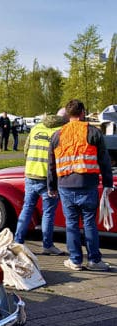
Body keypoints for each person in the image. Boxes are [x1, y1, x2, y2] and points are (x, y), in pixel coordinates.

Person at [48, 99, 114, 271]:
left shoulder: (57, 135)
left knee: (71, 224)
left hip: (65, 186)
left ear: (68, 114)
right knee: (89, 223)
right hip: (88, 185)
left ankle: (75, 260)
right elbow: (104, 161)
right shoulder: (93, 132)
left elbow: (51, 165)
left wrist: (51, 187)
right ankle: (94, 261)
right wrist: (108, 183)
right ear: (83, 112)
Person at [14, 110, 68, 255]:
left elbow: (26, 150)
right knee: (48, 213)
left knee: (27, 208)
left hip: (31, 173)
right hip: (48, 178)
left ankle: (17, 241)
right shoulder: (62, 131)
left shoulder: (36, 127)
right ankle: (47, 245)